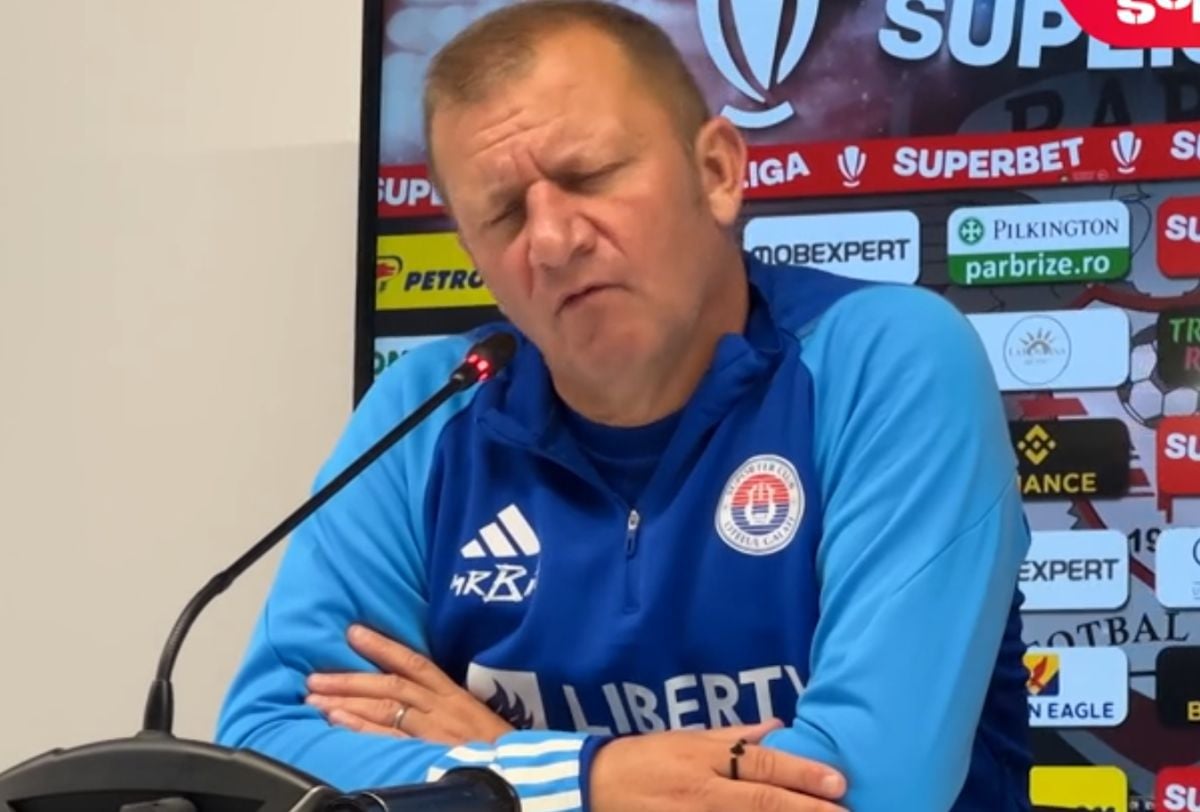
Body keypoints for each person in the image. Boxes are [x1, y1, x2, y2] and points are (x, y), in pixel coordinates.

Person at [216, 2, 1032, 809]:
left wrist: (500, 768)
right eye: (503, 213)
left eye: (589, 177)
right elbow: (266, 756)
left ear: (717, 172)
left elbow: (864, 788)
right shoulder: (426, 410)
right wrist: (585, 782)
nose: (552, 240)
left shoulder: (883, 360)